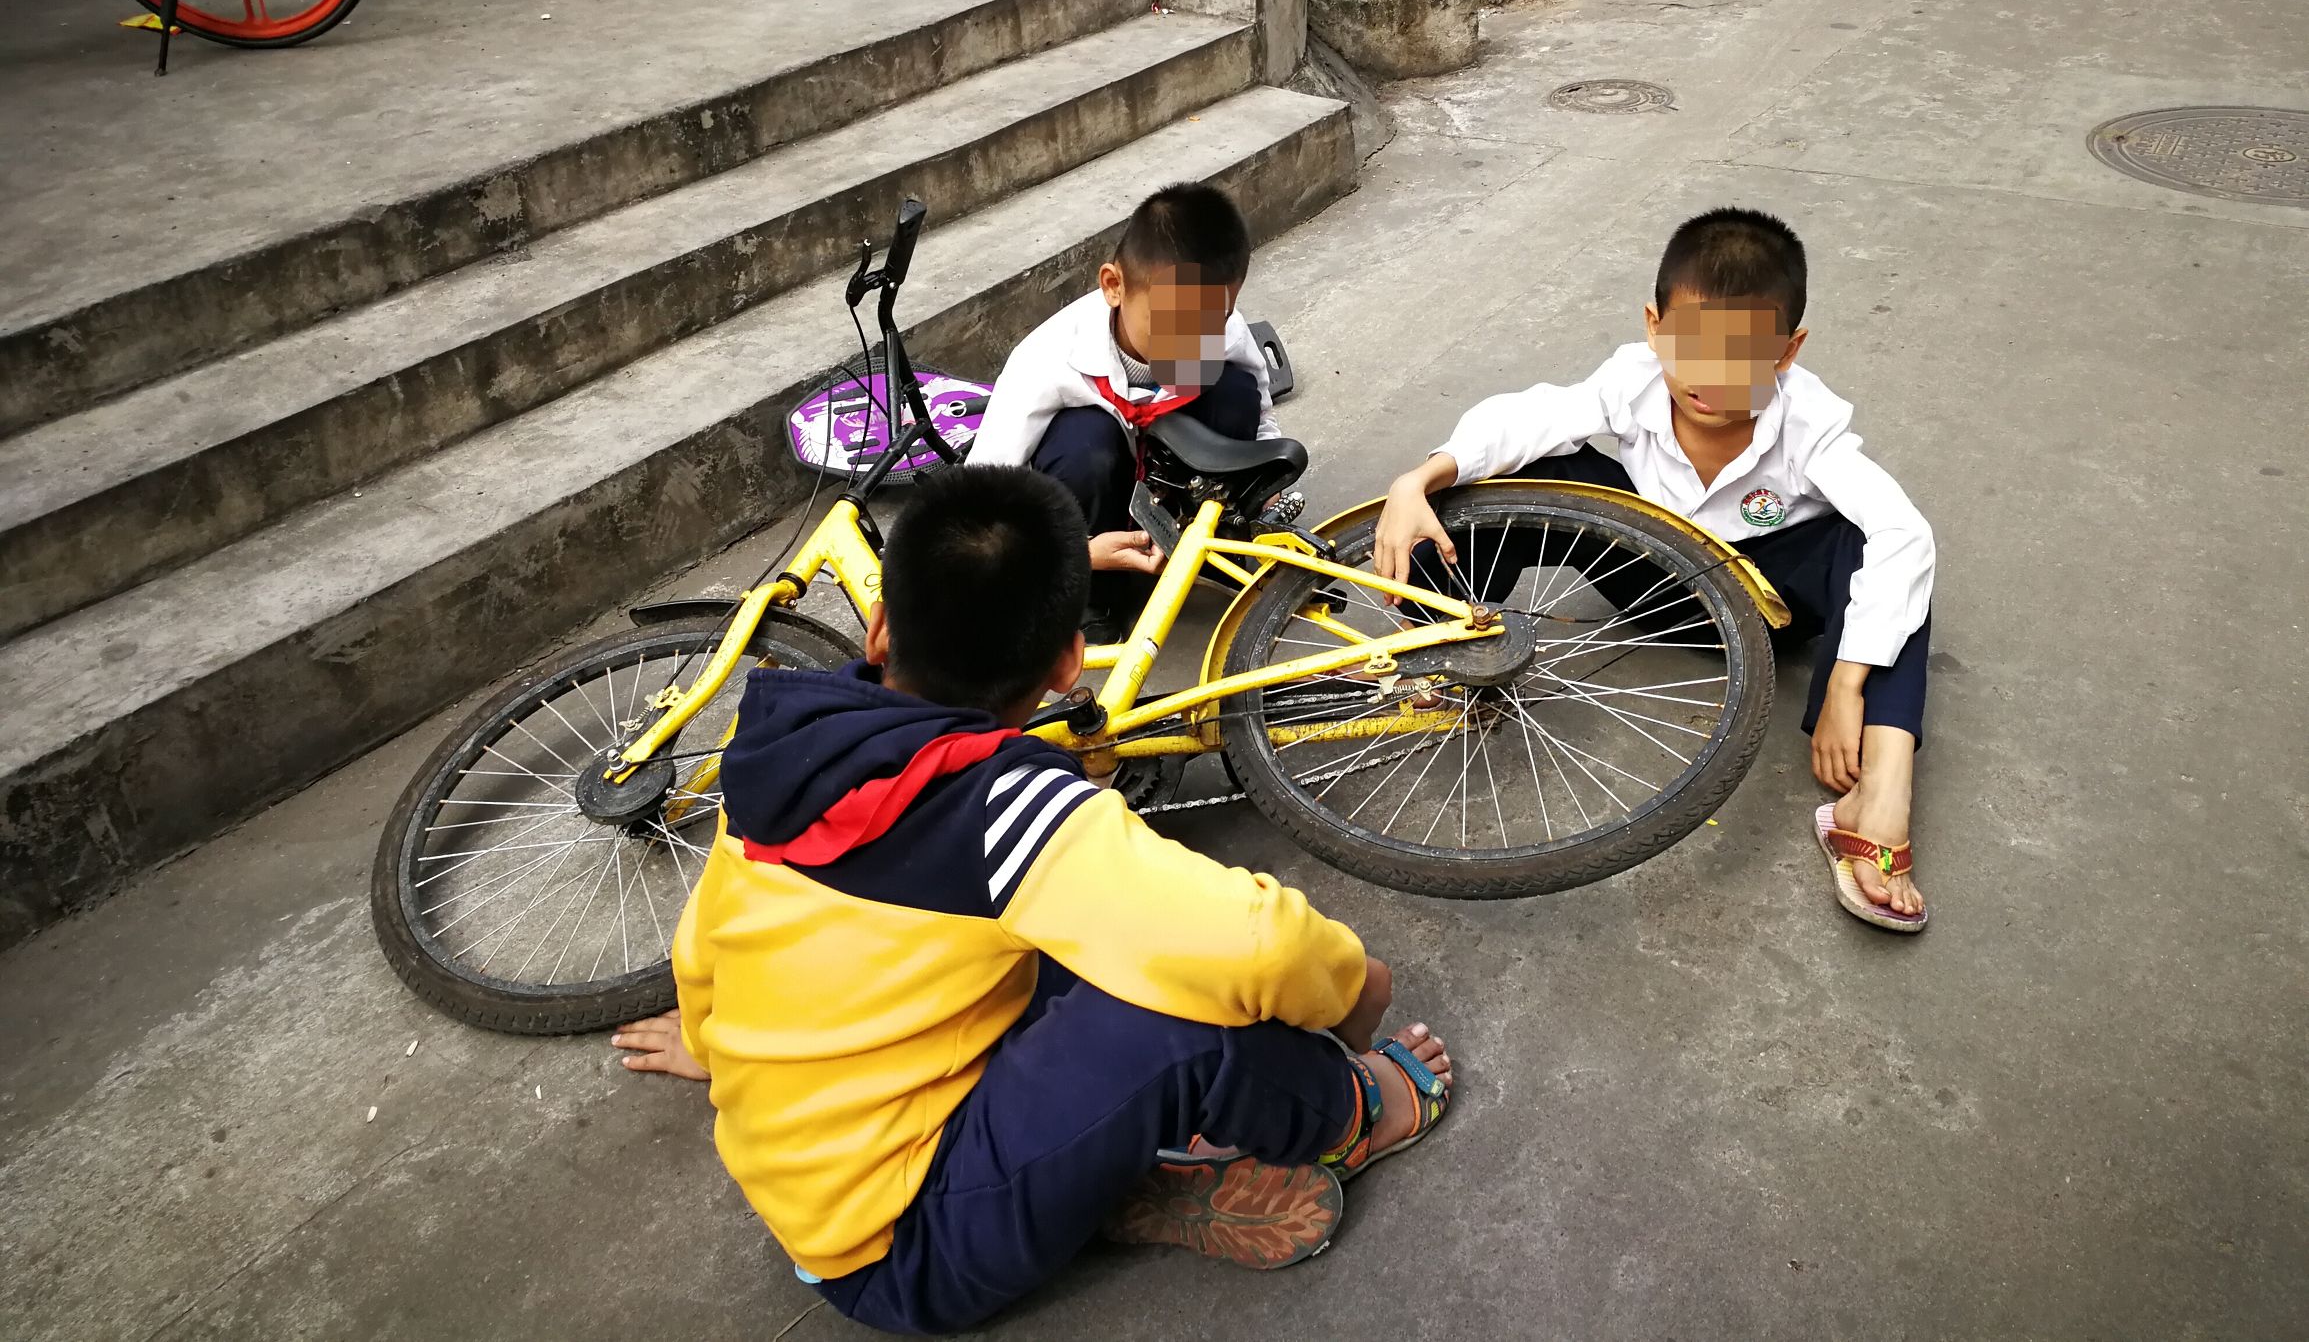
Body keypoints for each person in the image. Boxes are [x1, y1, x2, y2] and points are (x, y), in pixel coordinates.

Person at [612, 465, 1453, 1334]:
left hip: (821, 1192)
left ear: (878, 629)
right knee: (1181, 1012)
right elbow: (1259, 945)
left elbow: (704, 944)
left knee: (1091, 937)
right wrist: (1356, 991)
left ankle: (1112, 1178)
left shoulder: (779, 758)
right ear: (1065, 666)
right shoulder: (1007, 808)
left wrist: (716, 1041)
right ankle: (1355, 1114)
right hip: (908, 1254)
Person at [1373, 207, 1937, 932]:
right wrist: (1416, 480)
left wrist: (1845, 683)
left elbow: (1903, 533)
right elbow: (1528, 417)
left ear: (1787, 352)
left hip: (1766, 605)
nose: (1709, 377)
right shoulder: (1632, 381)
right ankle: (1426, 643)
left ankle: (1880, 795)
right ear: (1653, 326)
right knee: (1520, 474)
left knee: (1882, 547)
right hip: (1653, 577)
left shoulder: (1809, 422)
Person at [965, 182, 1279, 636]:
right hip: (1097, 516)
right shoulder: (1046, 359)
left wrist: (1263, 491)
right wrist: (1075, 552)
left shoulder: (1223, 328)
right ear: (1114, 285)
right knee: (1083, 441)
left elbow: (1261, 413)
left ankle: (1213, 551)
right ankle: (1093, 596)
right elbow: (979, 496)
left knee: (1234, 392)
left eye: (1214, 321)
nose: (1193, 344)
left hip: (1171, 479)